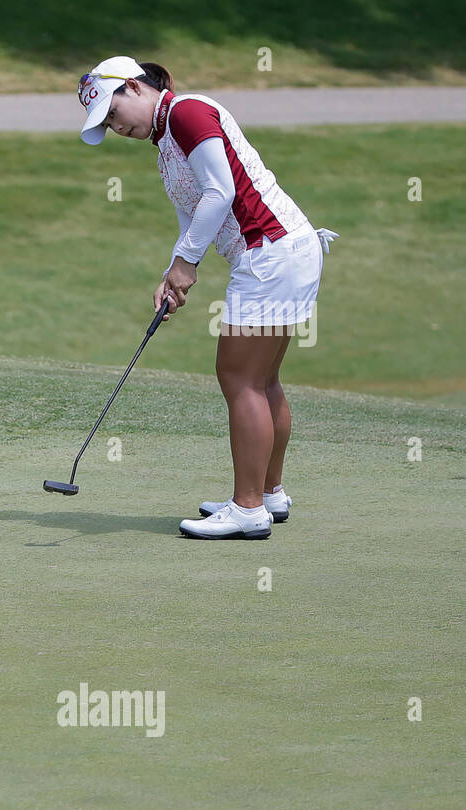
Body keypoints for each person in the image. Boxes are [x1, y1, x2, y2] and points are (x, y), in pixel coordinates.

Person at [77, 56, 337, 539]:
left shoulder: (186, 114)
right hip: (279, 253)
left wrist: (187, 263)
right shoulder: (166, 142)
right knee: (260, 380)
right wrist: (173, 273)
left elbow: (220, 193)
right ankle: (268, 494)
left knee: (238, 377)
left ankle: (248, 509)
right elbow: (194, 211)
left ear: (134, 87)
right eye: (105, 126)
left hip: (271, 253)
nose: (114, 128)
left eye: (112, 115)